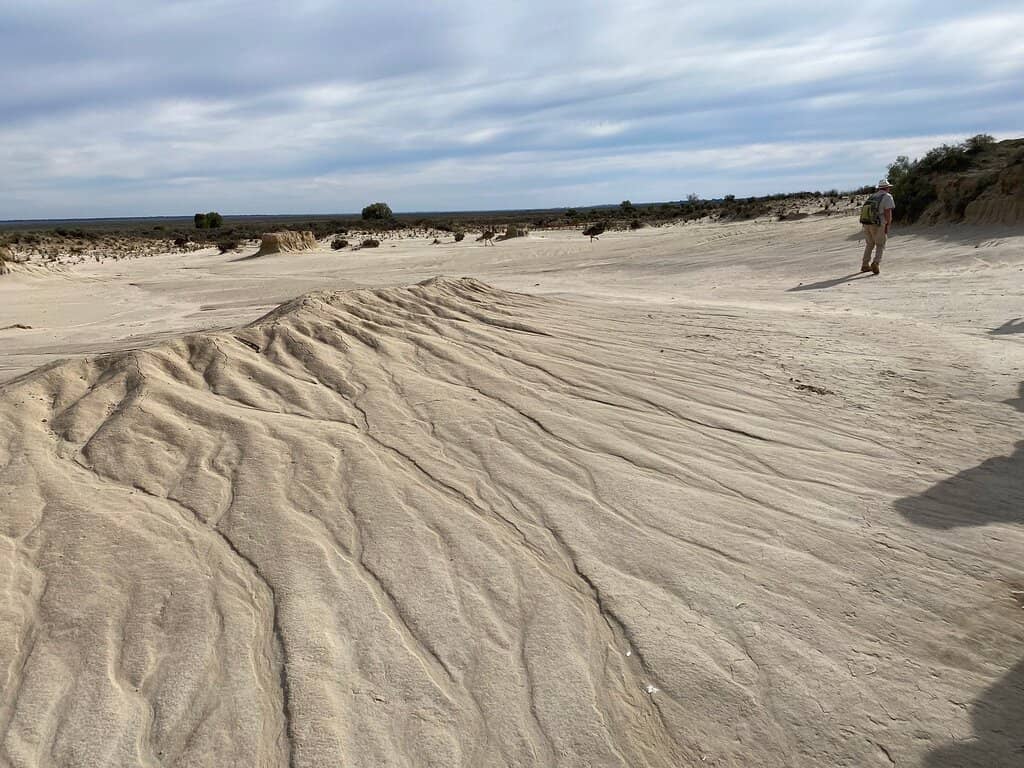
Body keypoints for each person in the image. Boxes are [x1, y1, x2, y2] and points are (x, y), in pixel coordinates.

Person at [859, 179, 895, 274]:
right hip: (878, 223)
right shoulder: (887, 197)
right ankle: (876, 263)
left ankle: (865, 264)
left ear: (879, 188)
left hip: (867, 223)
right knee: (880, 244)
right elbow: (888, 212)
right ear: (887, 188)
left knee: (869, 244)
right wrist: (888, 224)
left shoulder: (872, 196)